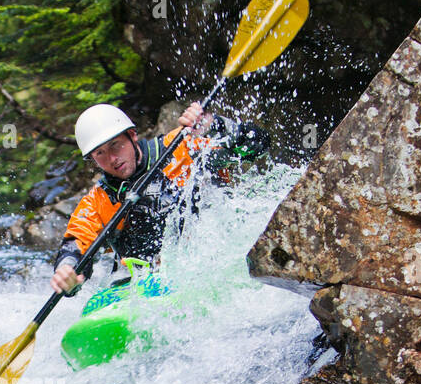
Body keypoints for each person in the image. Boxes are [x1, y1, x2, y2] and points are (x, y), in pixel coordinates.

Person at [50, 101, 269, 295]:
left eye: (115, 145)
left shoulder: (180, 148)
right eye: (100, 153)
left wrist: (214, 125)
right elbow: (75, 246)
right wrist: (67, 272)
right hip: (138, 287)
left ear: (132, 135)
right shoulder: (98, 201)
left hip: (200, 271)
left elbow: (257, 146)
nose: (113, 158)